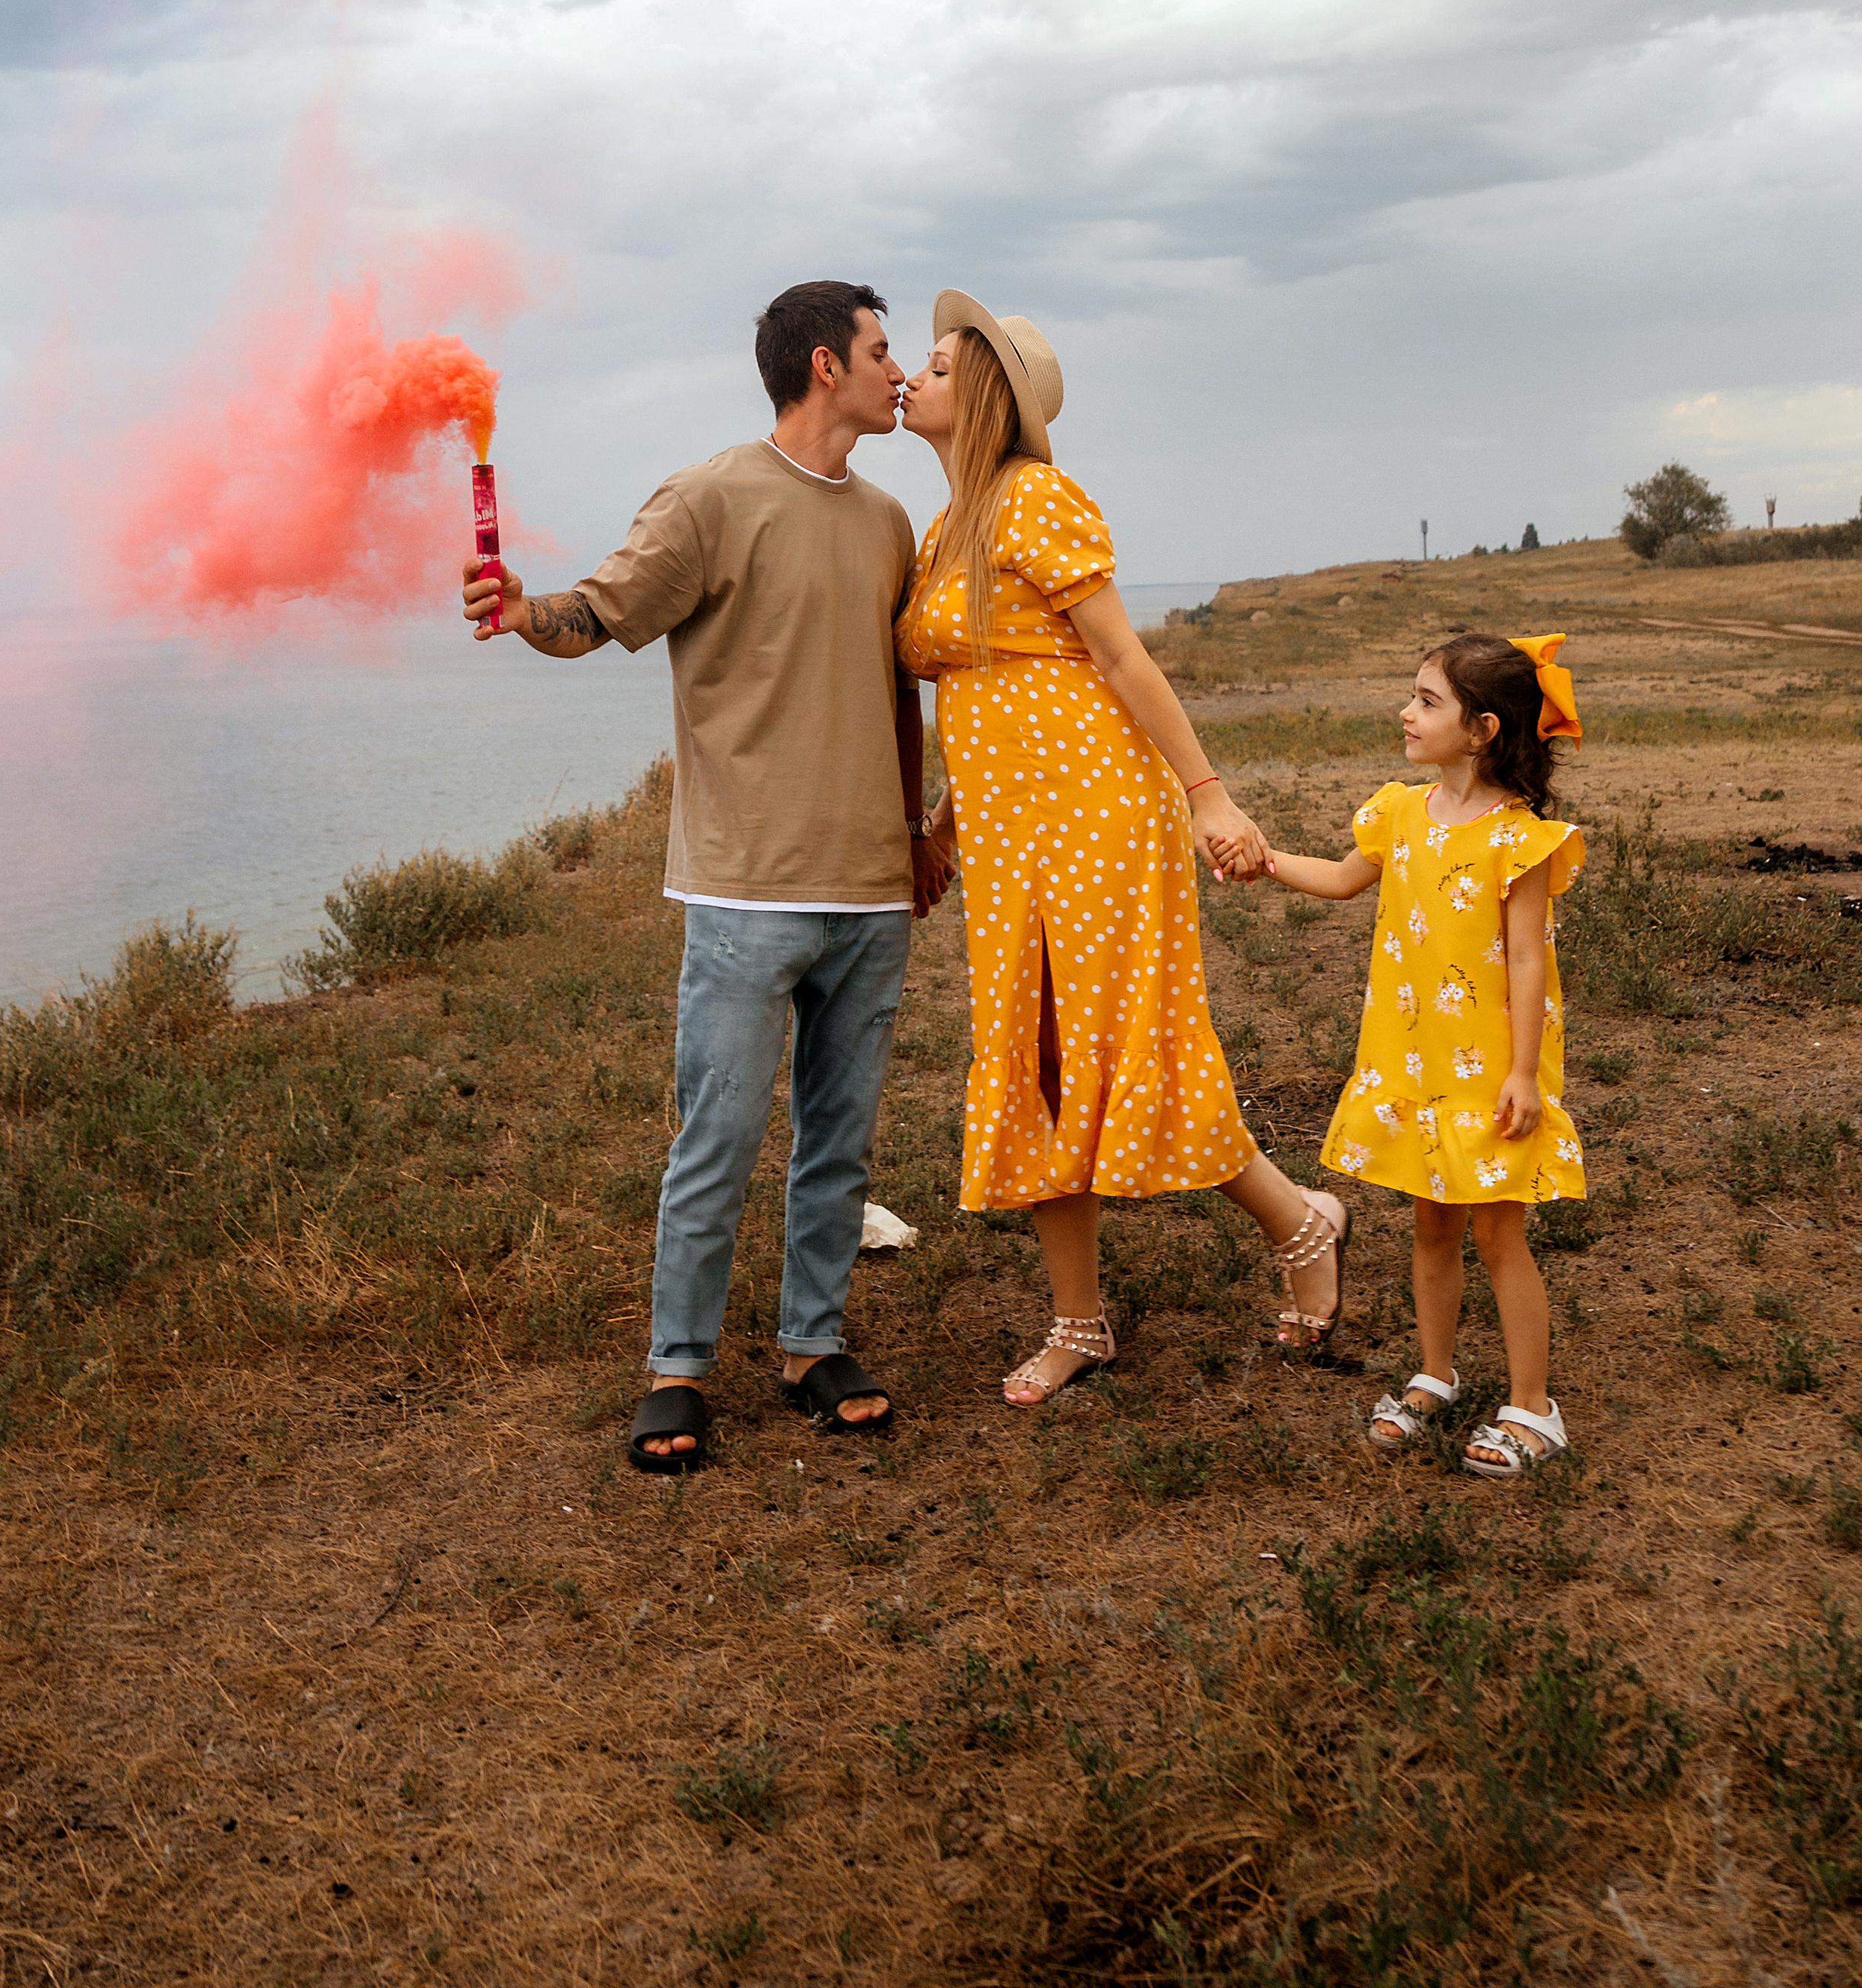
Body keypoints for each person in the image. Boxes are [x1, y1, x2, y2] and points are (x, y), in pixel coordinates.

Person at [462, 281, 955, 1474]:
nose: (902, 374)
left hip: (872, 889)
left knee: (840, 1143)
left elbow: (898, 693)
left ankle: (810, 1344)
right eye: (886, 353)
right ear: (824, 364)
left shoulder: (889, 521)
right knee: (718, 1139)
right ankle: (678, 1367)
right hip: (745, 891)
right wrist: (526, 610)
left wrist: (921, 829)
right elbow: (599, 609)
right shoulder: (709, 496)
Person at [894, 292, 1354, 1405]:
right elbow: (980, 691)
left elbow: (1122, 664)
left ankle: (1300, 1230)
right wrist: (944, 830)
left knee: (1127, 1044)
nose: (914, 376)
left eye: (941, 367)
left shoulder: (1037, 498)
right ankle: (1080, 1322)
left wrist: (1208, 796)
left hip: (1098, 818)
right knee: (1035, 1059)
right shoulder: (948, 526)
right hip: (1011, 838)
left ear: (988, 395)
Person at [1261, 632, 1585, 1479]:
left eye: (1426, 701)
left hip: (1488, 1072)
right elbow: (1339, 879)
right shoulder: (1400, 814)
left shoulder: (1517, 840)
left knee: (1499, 1238)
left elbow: (1525, 960)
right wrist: (1260, 860)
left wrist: (1521, 1073)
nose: (1406, 713)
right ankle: (1433, 1374)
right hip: (1411, 1064)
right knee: (1430, 1225)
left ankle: (1532, 1407)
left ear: (1481, 729)